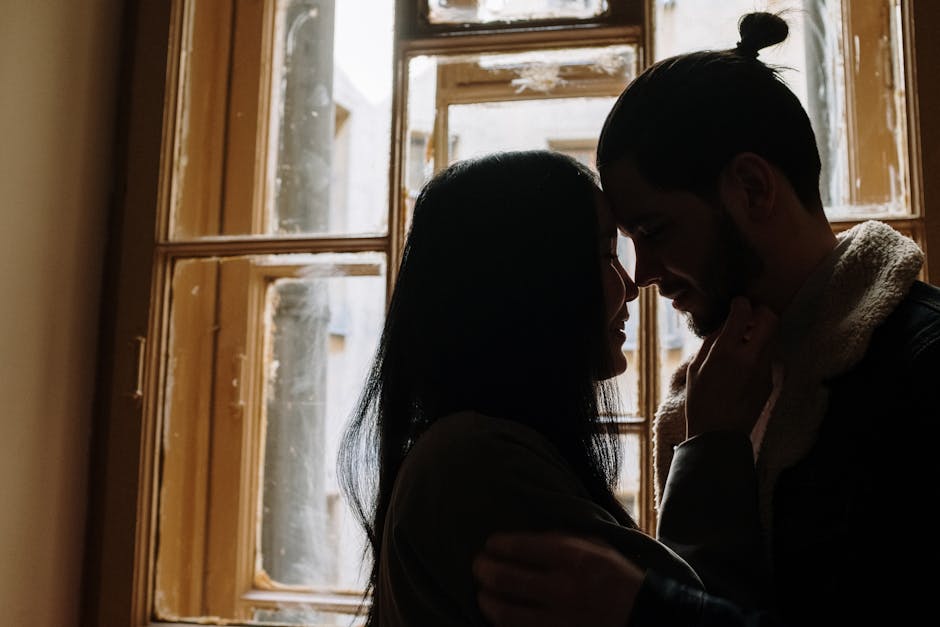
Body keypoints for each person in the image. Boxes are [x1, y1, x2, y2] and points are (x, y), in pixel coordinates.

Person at [473, 11, 940, 627]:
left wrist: (640, 608)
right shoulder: (726, 385)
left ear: (751, 188)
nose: (640, 276)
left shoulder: (924, 366)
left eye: (654, 231)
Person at [337, 149, 708, 627]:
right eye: (605, 254)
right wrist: (711, 444)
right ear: (529, 280)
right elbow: (690, 613)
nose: (632, 284)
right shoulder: (475, 464)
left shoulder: (473, 450)